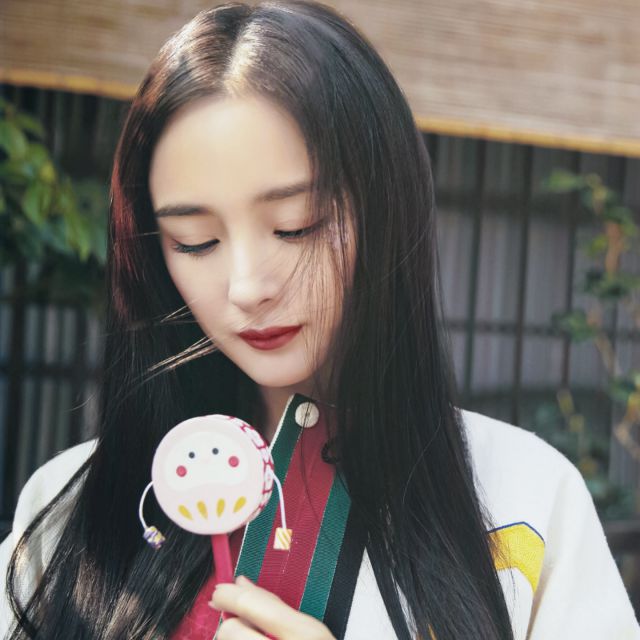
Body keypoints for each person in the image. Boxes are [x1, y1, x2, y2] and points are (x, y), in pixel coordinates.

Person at [1, 1, 638, 638]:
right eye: (195, 241)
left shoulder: (526, 497)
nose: (247, 288)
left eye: (296, 226)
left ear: (387, 210)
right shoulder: (67, 511)